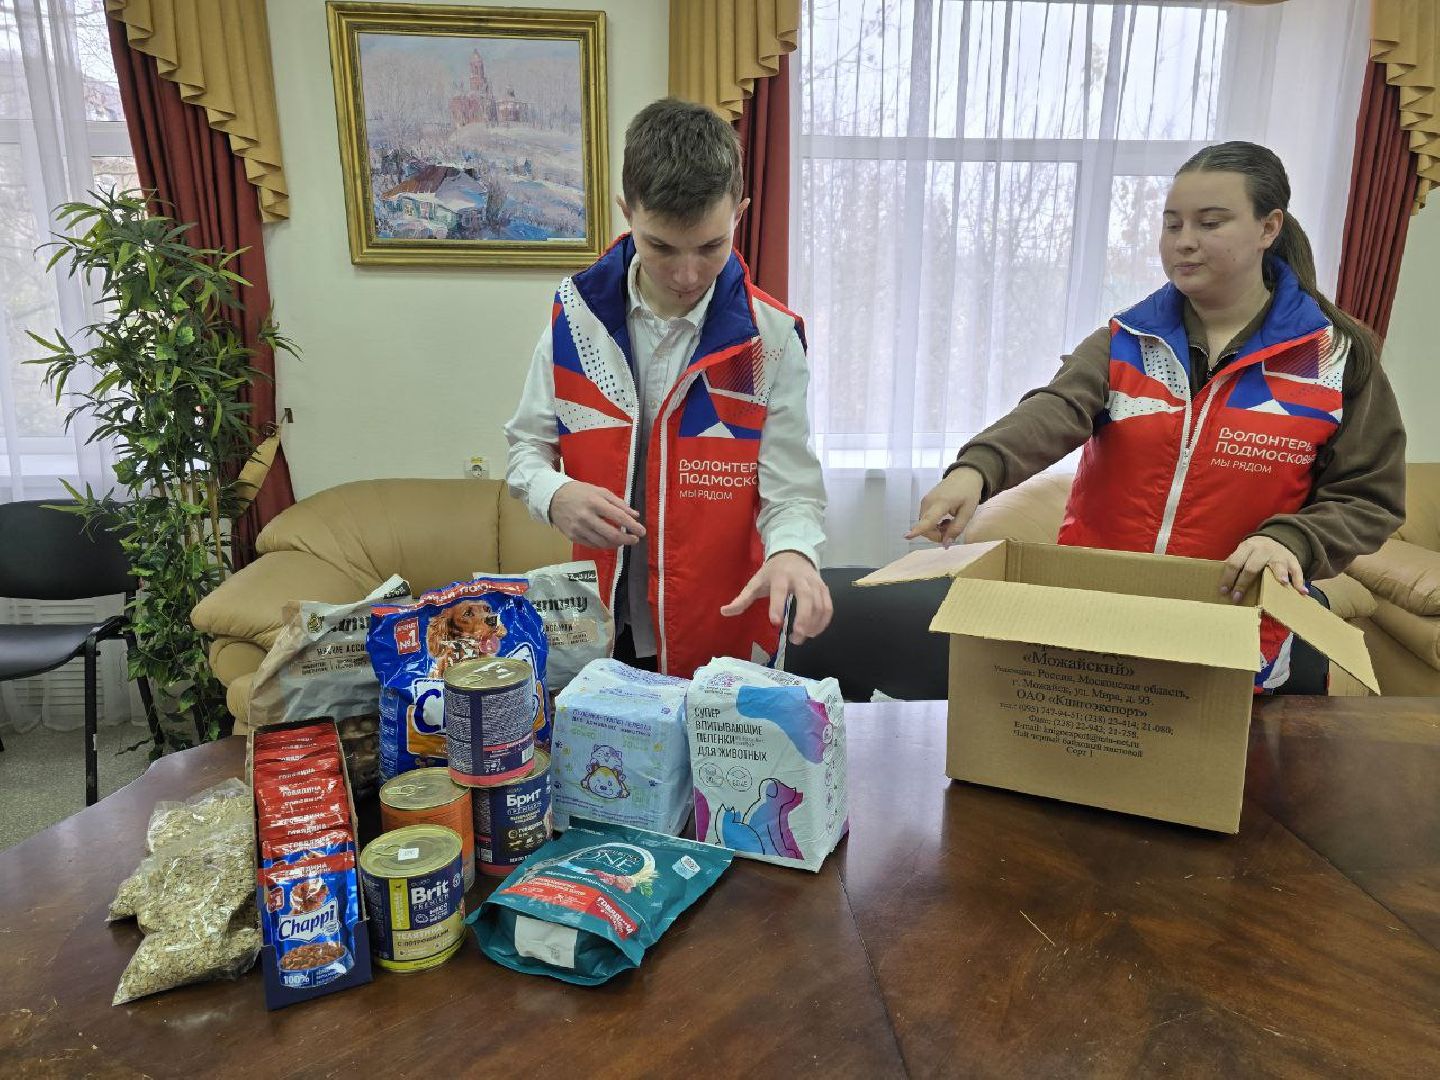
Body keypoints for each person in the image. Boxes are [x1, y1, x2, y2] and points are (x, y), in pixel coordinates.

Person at [909, 141, 1405, 691]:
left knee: (1226, 777)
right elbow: (1057, 408)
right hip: (1096, 623)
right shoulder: (1126, 340)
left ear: (1269, 227)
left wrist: (1293, 540)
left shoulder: (1336, 357)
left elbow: (1368, 496)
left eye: (1209, 223)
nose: (1184, 243)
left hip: (1235, 633)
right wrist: (975, 470)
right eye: (1172, 225)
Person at [506, 98, 831, 678]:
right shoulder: (576, 317)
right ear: (626, 212)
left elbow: (792, 490)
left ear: (740, 213)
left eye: (710, 247)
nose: (686, 275)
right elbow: (527, 450)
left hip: (719, 629)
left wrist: (793, 551)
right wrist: (554, 494)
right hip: (603, 627)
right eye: (660, 246)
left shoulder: (772, 339)